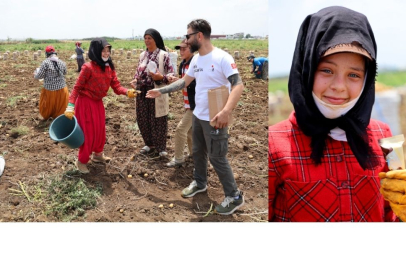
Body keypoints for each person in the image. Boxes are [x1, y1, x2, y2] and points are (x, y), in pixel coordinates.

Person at [268, 6, 397, 222]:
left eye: (354, 75)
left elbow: (391, 211)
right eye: (326, 70)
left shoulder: (384, 135)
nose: (339, 86)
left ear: (367, 81)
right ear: (306, 68)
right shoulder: (273, 144)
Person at [146, 19, 245, 215]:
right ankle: (200, 183)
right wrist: (162, 91)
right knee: (198, 152)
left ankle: (234, 196)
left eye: (188, 36)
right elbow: (185, 81)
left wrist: (226, 111)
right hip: (198, 115)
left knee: (217, 157)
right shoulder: (197, 59)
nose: (186, 40)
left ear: (199, 36)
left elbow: (238, 85)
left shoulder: (222, 58)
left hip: (216, 118)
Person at [64, 38, 136, 174]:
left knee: (100, 130)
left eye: (108, 50)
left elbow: (116, 86)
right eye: (103, 50)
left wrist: (127, 92)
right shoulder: (87, 67)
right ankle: (81, 161)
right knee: (88, 133)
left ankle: (98, 155)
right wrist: (70, 105)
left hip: (97, 103)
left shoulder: (109, 68)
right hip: (85, 103)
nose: (106, 53)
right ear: (96, 51)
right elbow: (76, 88)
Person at [130, 29, 174, 157]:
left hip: (156, 90)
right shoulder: (142, 55)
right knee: (143, 119)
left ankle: (161, 147)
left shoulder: (163, 55)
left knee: (158, 119)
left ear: (156, 39)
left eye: (150, 38)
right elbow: (138, 72)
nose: (147, 41)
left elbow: (171, 75)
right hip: (142, 92)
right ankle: (149, 144)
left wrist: (160, 78)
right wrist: (135, 80)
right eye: (145, 38)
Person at [165, 39, 196, 167]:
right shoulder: (183, 64)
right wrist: (177, 80)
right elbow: (185, 82)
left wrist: (181, 81)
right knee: (190, 131)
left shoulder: (195, 64)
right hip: (188, 103)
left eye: (184, 48)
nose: (181, 51)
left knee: (180, 129)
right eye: (180, 49)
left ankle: (178, 158)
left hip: (196, 105)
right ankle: (195, 154)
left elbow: (196, 83)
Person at [34, 45, 69, 121]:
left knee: (47, 106)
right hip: (62, 88)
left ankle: (48, 116)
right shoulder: (61, 62)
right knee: (60, 106)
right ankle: (60, 118)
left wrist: (35, 75)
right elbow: (65, 72)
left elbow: (40, 75)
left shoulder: (45, 62)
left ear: (47, 54)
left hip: (50, 89)